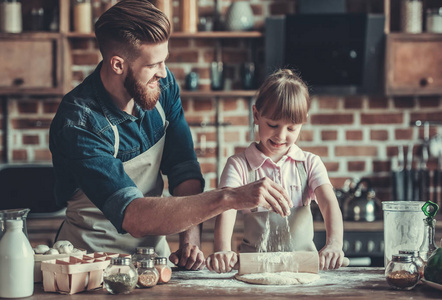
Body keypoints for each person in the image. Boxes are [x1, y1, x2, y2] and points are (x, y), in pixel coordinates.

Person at [49, 0, 292, 270]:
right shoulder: (79, 122)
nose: (163, 73)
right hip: (89, 265)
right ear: (118, 64)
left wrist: (190, 239)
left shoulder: (162, 87)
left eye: (164, 61)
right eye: (154, 64)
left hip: (152, 260)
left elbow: (183, 168)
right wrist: (229, 197)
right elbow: (133, 216)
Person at [206, 69, 345, 273]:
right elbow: (225, 208)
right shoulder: (239, 165)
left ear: (303, 122)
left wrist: (334, 244)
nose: (280, 135)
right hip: (254, 270)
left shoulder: (309, 163)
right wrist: (222, 249)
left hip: (303, 270)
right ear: (256, 115)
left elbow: (328, 203)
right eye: (272, 124)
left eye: (291, 129)